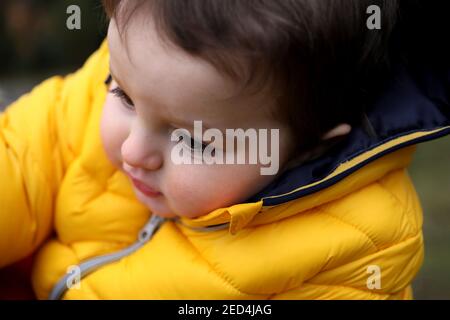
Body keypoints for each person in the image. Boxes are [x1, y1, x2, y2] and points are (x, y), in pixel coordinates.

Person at [0, 0, 448, 299]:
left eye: (193, 140)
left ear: (307, 148)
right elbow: (19, 160)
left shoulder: (358, 252)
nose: (135, 150)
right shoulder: (134, 74)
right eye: (123, 96)